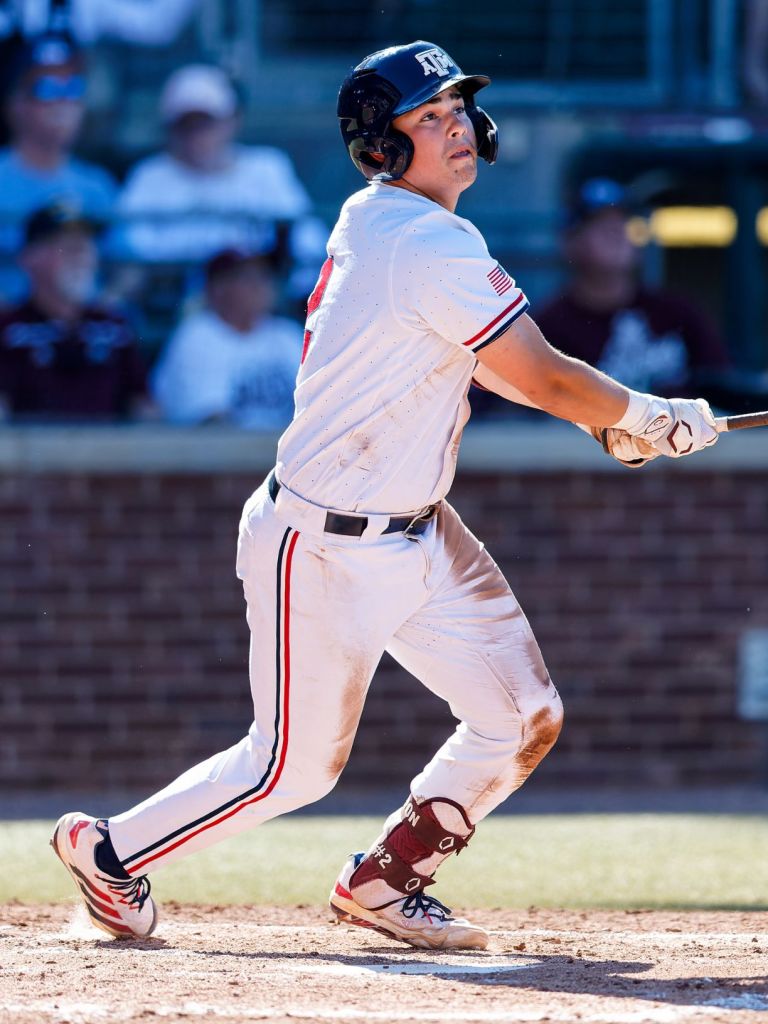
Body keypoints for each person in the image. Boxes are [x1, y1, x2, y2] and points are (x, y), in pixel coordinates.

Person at [51, 41, 719, 951]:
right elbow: (542, 374)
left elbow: (501, 367)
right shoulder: (419, 238)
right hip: (326, 545)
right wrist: (648, 414)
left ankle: (387, 878)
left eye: (458, 110)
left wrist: (610, 421)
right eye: (429, 117)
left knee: (520, 716)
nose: (457, 128)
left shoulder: (396, 224)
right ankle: (108, 851)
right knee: (290, 770)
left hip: (421, 531)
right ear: (384, 145)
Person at [117, 64, 326, 297]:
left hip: (258, 303)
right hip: (175, 303)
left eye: (206, 123)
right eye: (186, 124)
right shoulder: (149, 177)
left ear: (232, 121)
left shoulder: (267, 168)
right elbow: (131, 254)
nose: (196, 134)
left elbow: (308, 243)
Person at [535, 178, 731, 399]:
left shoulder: (677, 313)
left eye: (623, 223)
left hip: (675, 421)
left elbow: (723, 387)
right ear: (571, 242)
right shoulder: (549, 327)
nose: (617, 233)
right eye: (600, 225)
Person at [0, 201, 149, 420]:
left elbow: (145, 407)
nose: (81, 255)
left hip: (109, 442)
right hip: (30, 442)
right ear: (30, 258)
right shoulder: (7, 329)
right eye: (67, 247)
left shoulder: (115, 326)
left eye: (86, 245)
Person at [0, 32, 117, 300]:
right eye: (47, 88)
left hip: (81, 322)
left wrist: (102, 306)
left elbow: (125, 268)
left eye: (73, 88)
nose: (63, 102)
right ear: (15, 104)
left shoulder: (97, 185)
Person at [151, 247, 303, 429]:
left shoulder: (287, 334)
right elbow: (213, 423)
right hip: (223, 446)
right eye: (247, 278)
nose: (260, 286)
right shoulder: (197, 336)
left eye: (264, 276)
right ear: (218, 288)